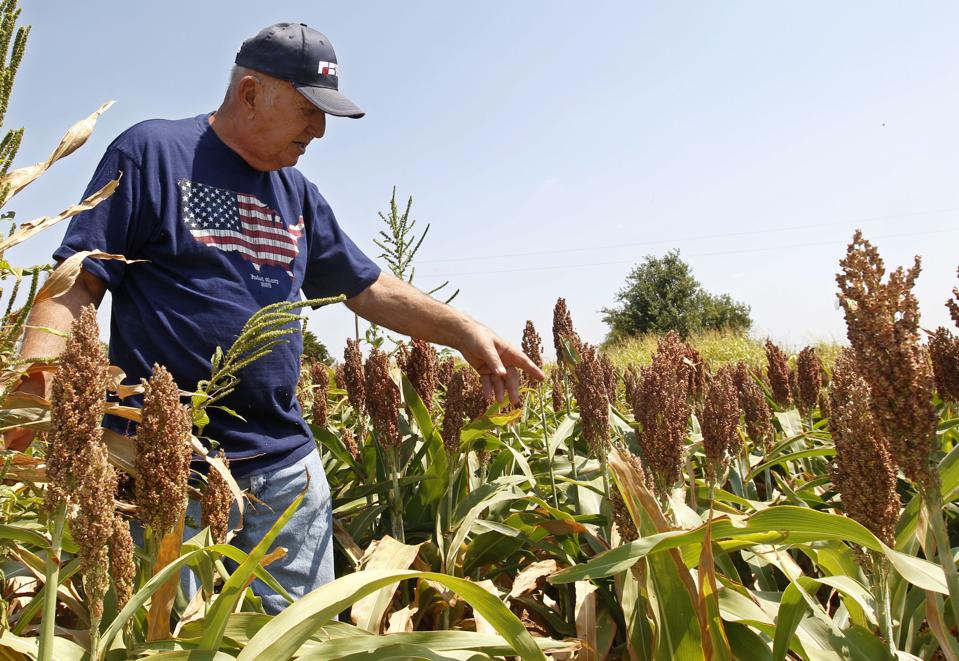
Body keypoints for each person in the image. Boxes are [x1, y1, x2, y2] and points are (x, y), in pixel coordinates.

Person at [9, 22, 543, 613]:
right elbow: (78, 280)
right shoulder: (152, 154)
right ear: (250, 92)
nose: (319, 130)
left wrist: (463, 329)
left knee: (300, 640)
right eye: (308, 110)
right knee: (166, 642)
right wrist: (31, 390)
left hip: (287, 472)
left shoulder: (297, 192)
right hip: (165, 466)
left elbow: (366, 287)